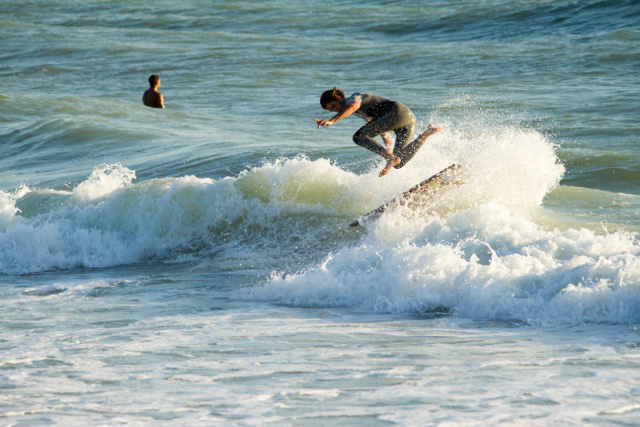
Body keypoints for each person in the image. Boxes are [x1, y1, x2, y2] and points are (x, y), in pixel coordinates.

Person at [315, 88, 440, 176]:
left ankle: (390, 158)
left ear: (338, 97)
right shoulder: (362, 113)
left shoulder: (355, 98)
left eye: (333, 106)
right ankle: (426, 133)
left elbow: (353, 107)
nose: (334, 110)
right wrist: (388, 149)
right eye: (331, 111)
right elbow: (383, 131)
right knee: (399, 162)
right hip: (407, 120)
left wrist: (332, 121)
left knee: (358, 137)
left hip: (398, 113)